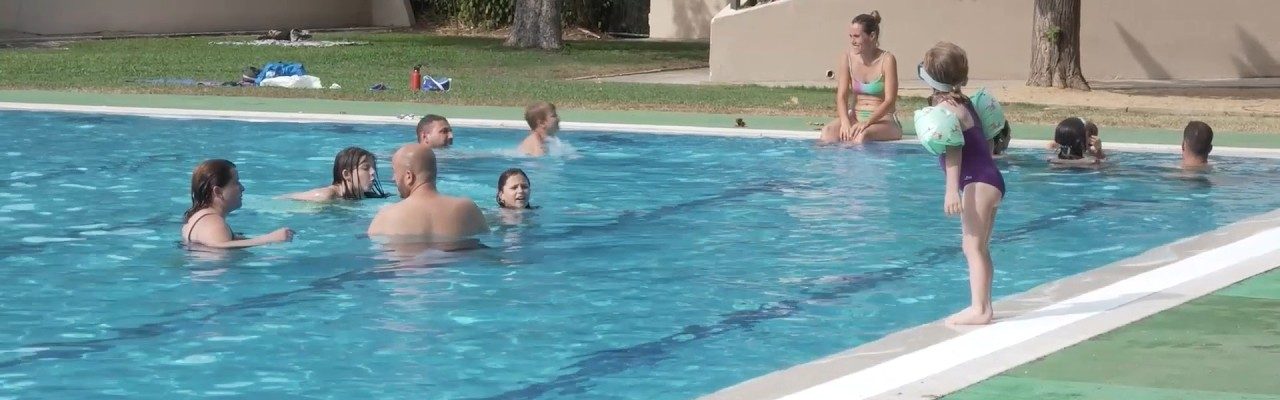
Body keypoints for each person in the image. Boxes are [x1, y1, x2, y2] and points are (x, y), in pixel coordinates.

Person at [920, 42, 1004, 325]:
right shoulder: (967, 104)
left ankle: (980, 310)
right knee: (980, 247)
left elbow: (953, 149)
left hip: (976, 183)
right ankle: (985, 306)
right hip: (991, 179)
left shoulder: (947, 109)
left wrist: (950, 191)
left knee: (971, 247)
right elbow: (987, 143)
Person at [367, 144, 489, 250]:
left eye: (394, 172)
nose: (393, 178)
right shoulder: (468, 209)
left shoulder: (385, 217)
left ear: (409, 176)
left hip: (408, 269)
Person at [817, 11, 903, 145]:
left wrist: (867, 122)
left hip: (884, 120)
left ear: (872, 36)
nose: (852, 41)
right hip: (855, 117)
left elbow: (889, 101)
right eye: (850, 36)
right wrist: (845, 122)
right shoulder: (847, 58)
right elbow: (842, 96)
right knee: (827, 132)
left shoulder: (887, 60)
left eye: (856, 36)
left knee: (862, 136)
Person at [181, 159, 293, 248]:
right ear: (218, 192)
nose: (242, 188)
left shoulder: (198, 217)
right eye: (236, 182)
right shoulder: (213, 223)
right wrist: (270, 238)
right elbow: (219, 248)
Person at [284, 147, 388, 201]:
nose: (373, 172)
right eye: (365, 168)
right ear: (347, 175)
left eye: (373, 167)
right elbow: (285, 200)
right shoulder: (326, 195)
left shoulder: (365, 195)